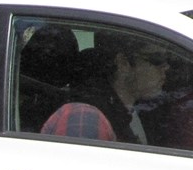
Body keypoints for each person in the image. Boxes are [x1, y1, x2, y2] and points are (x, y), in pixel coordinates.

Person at [43, 34, 172, 143]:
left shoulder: (141, 110)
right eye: (157, 59)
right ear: (123, 63)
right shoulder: (89, 119)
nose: (166, 67)